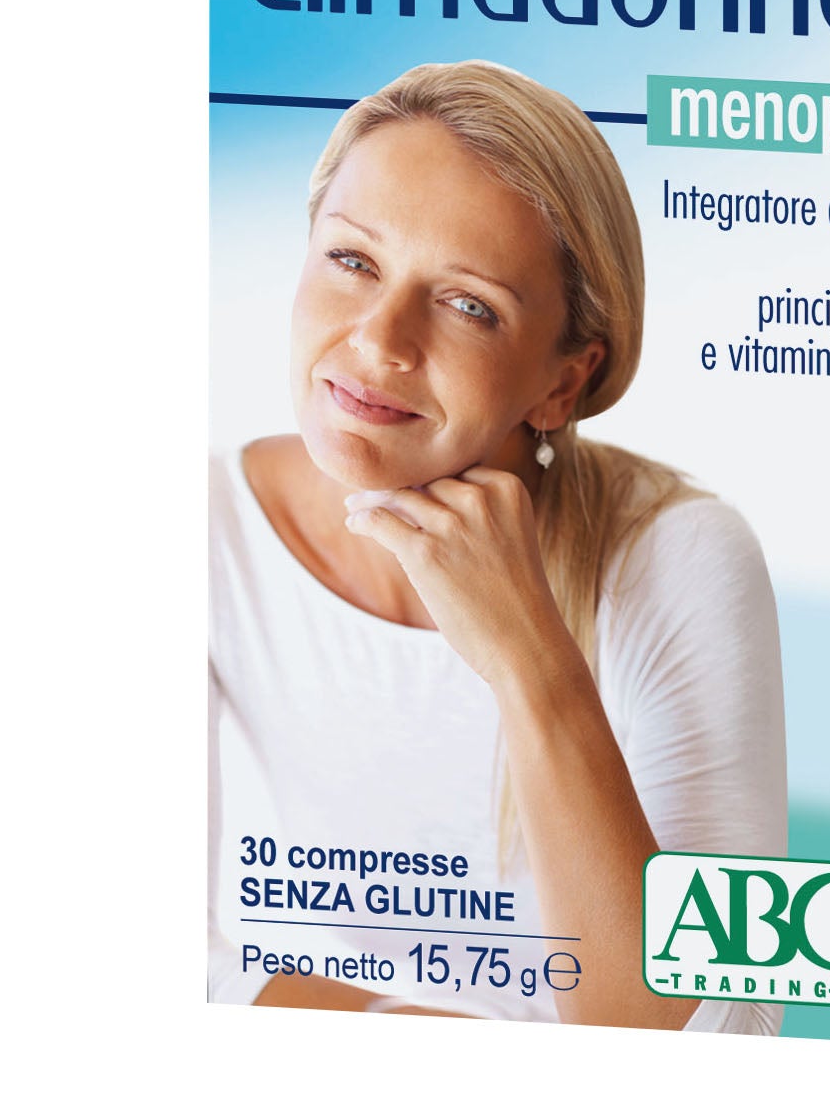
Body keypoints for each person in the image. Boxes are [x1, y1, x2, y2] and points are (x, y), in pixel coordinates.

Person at [209, 60, 786, 1032]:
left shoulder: (676, 556)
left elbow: (721, 1033)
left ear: (563, 383)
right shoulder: (206, 526)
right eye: (352, 259)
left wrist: (532, 664)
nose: (380, 339)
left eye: (468, 304)